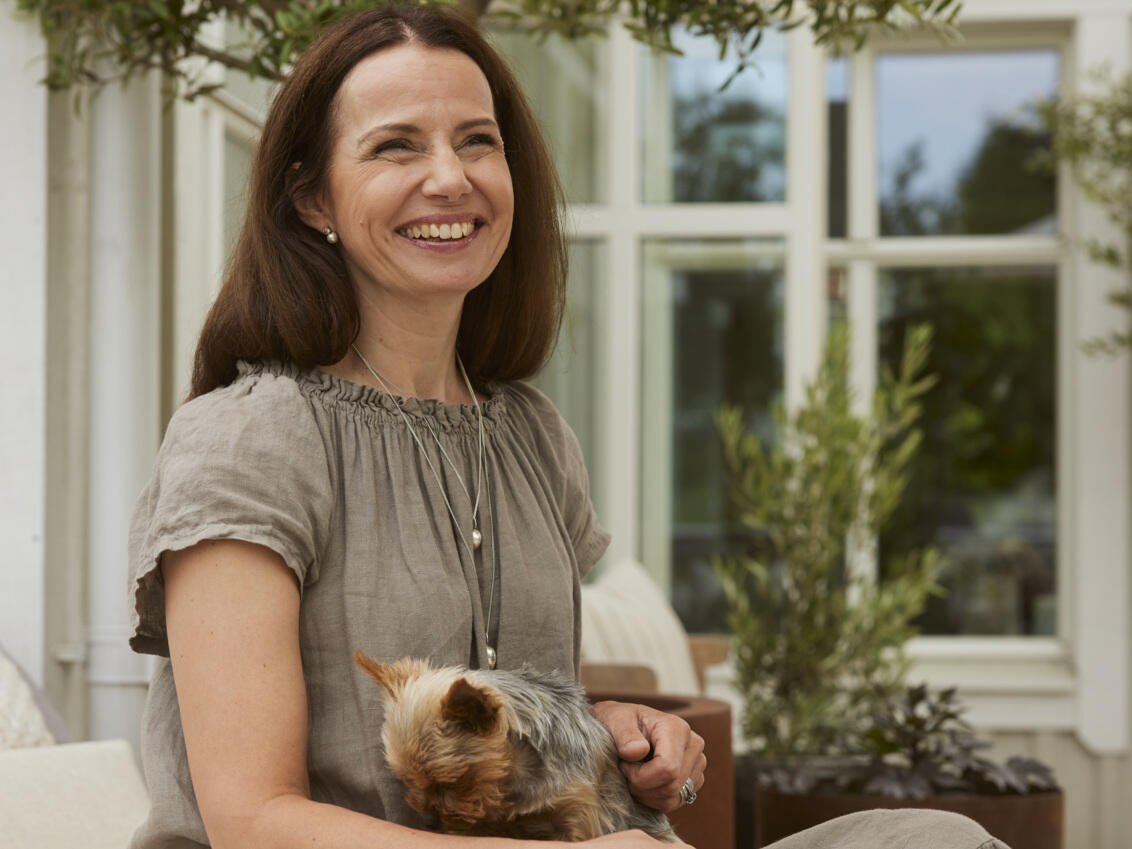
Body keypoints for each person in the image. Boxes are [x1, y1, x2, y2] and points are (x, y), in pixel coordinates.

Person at [127, 6, 705, 848]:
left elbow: (510, 731)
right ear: (311, 194)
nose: (450, 178)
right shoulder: (247, 441)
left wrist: (614, 728)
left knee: (918, 834)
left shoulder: (533, 437)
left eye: (477, 141)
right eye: (396, 145)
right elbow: (253, 821)